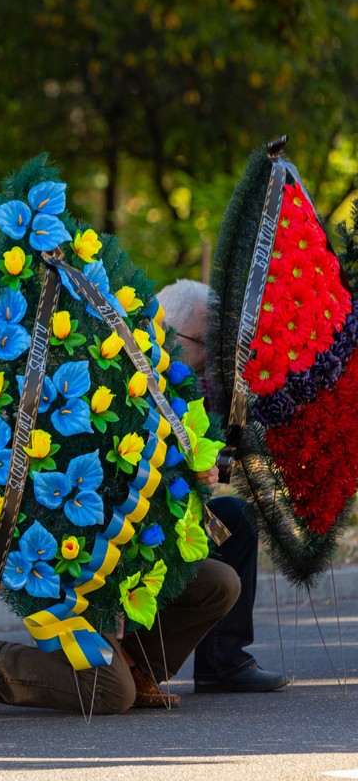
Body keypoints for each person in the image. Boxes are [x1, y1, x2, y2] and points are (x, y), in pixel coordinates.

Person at [156, 278, 289, 693]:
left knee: (236, 517)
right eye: (204, 342)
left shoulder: (191, 378)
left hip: (181, 510)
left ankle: (222, 662)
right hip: (141, 520)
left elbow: (223, 453)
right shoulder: (132, 376)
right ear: (170, 333)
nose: (209, 357)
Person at [0, 555, 240, 715]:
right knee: (112, 695)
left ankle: (132, 664)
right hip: (70, 568)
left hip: (133, 557)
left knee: (219, 582)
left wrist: (198, 475)